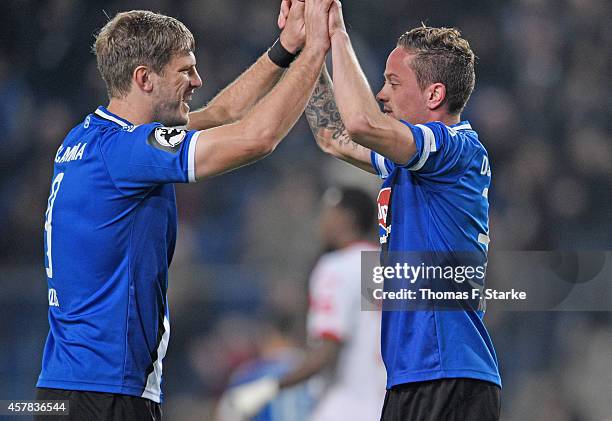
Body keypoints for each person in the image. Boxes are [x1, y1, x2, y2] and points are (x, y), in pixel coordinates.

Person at [35, 2, 336, 420]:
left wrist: (285, 49)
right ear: (144, 78)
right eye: (185, 70)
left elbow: (221, 114)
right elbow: (257, 138)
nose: (197, 80)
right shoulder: (125, 153)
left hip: (63, 390)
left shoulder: (86, 139)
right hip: (106, 395)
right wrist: (317, 49)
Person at [288, 2, 501, 420]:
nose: (381, 93)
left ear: (434, 94)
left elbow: (361, 123)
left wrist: (337, 33)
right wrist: (307, 49)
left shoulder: (452, 148)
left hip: (448, 374)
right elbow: (334, 135)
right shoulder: (411, 159)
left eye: (391, 81)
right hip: (412, 377)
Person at [222, 187, 386, 420]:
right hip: (383, 405)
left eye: (328, 213)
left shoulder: (335, 266)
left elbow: (328, 349)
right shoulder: (378, 263)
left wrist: (267, 388)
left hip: (345, 406)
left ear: (347, 219)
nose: (321, 222)